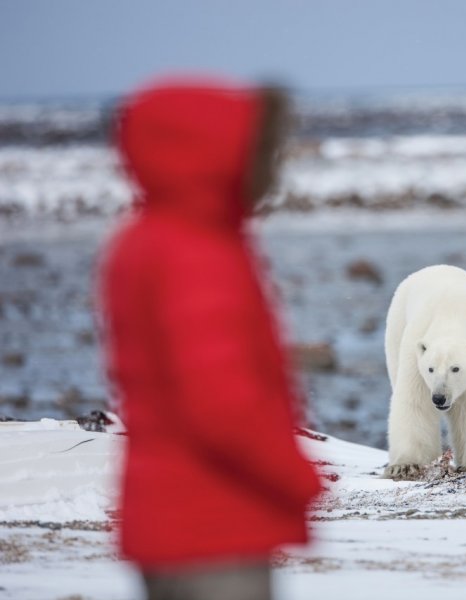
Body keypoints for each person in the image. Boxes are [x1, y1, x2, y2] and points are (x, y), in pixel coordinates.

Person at [100, 79, 323, 600]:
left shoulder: (142, 240)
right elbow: (220, 400)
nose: (274, 166)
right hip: (213, 520)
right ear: (218, 154)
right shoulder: (197, 254)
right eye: (264, 149)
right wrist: (295, 475)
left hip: (169, 514)